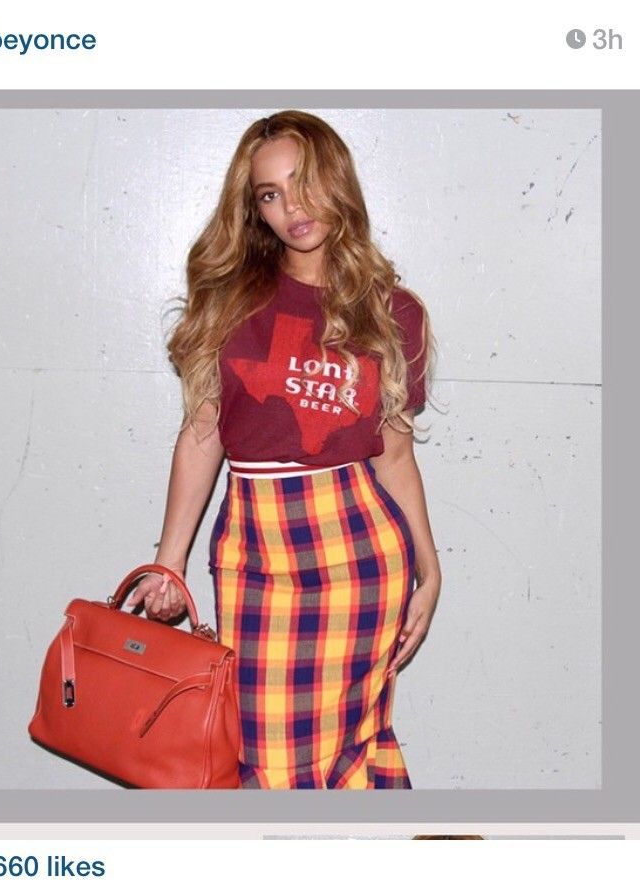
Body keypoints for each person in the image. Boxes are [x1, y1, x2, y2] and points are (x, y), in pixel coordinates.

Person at [128, 110, 441, 789]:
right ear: (255, 209)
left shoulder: (395, 312)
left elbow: (393, 454)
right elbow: (202, 434)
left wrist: (429, 567)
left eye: (303, 183)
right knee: (266, 750)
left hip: (361, 552)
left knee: (352, 739)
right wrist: (169, 561)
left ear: (338, 180)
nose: (291, 207)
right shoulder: (232, 301)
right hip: (257, 547)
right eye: (270, 194)